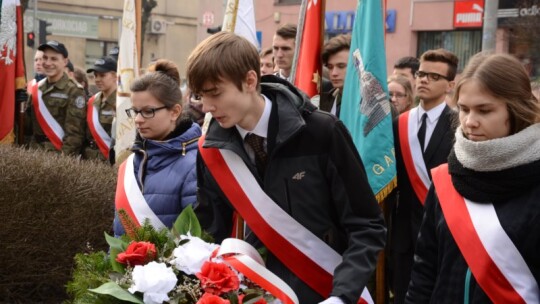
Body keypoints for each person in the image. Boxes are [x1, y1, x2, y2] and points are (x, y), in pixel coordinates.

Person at [189, 32, 385, 304]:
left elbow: (366, 225)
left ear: (249, 80)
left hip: (325, 290)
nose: (208, 107)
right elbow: (209, 233)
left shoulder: (321, 132)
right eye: (201, 96)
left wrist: (342, 296)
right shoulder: (212, 149)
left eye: (215, 93)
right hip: (256, 293)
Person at [406, 53, 540, 303]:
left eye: (484, 110)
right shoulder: (445, 178)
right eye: (464, 109)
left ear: (518, 108)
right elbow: (424, 271)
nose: (470, 122)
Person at [390, 48, 458, 304]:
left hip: (444, 233)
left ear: (450, 85)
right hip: (404, 236)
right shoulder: (400, 123)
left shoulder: (459, 125)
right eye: (420, 73)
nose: (423, 80)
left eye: (433, 76)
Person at [113, 59, 201, 237]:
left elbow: (193, 240)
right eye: (135, 111)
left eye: (147, 111)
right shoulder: (131, 162)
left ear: (175, 112)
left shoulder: (194, 164)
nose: (138, 119)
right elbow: (119, 232)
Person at [25, 40, 86, 156]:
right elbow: (27, 128)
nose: (48, 63)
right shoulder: (36, 89)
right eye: (45, 58)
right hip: (32, 155)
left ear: (65, 62)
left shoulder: (74, 91)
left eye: (54, 59)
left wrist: (62, 162)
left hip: (56, 158)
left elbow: (74, 135)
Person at [82, 56, 118, 161]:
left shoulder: (123, 103)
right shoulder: (92, 101)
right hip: (90, 161)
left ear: (115, 76)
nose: (97, 79)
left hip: (110, 161)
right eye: (95, 75)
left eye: (102, 75)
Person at [319, 34, 351, 117]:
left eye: (341, 66)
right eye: (330, 67)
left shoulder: (372, 104)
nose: (334, 73)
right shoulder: (322, 101)